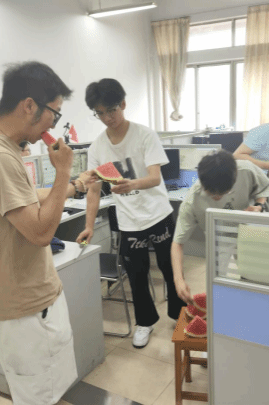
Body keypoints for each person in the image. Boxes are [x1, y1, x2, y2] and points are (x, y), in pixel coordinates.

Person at [0, 61, 92, 405]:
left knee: (48, 391)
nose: (54, 125)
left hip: (28, 303)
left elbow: (26, 199)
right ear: (30, 105)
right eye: (55, 114)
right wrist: (63, 171)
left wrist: (75, 185)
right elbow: (39, 232)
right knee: (41, 396)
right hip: (28, 309)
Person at [76, 78, 185, 349]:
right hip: (129, 222)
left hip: (158, 215)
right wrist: (89, 226)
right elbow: (93, 191)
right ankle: (145, 322)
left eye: (111, 110)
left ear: (123, 104)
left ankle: (179, 315)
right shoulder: (97, 148)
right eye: (100, 113)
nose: (107, 118)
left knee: (171, 269)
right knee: (136, 276)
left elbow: (154, 178)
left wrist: (131, 184)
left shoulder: (144, 135)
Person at [171, 150, 269, 304]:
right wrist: (178, 279)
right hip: (219, 237)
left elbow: (263, 188)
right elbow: (177, 242)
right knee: (217, 283)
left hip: (248, 228)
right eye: (212, 194)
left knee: (256, 278)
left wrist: (259, 205)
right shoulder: (192, 201)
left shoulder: (246, 169)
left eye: (224, 193)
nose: (217, 197)